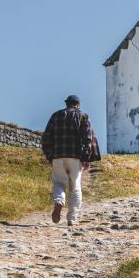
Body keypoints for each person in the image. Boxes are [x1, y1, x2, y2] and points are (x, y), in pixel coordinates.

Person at [41, 95, 100, 226]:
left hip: (58, 156)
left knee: (58, 182)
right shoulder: (83, 116)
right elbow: (87, 139)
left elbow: (46, 138)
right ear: (78, 104)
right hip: (75, 157)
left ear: (67, 104)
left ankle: (59, 201)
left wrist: (49, 156)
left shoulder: (55, 116)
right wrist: (86, 158)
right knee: (75, 187)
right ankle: (71, 219)